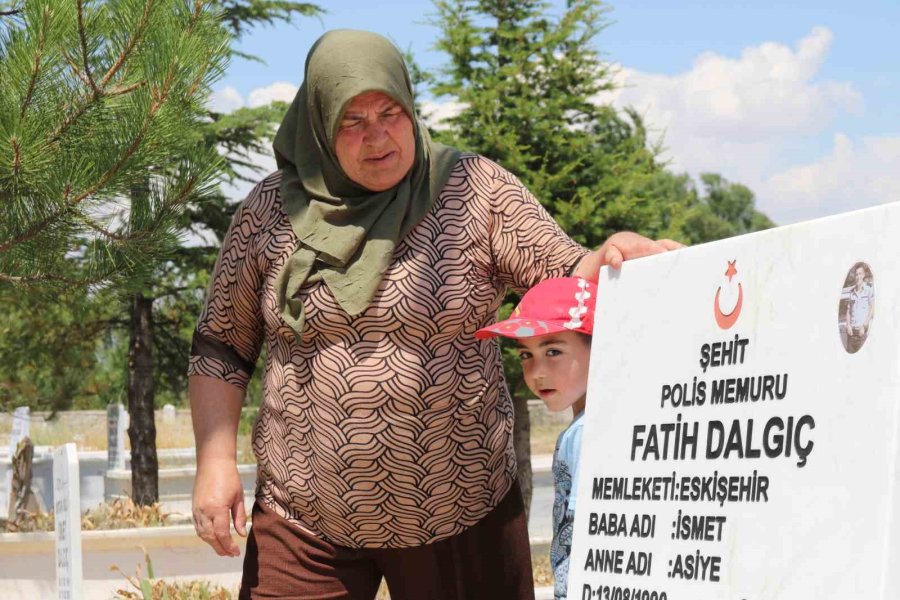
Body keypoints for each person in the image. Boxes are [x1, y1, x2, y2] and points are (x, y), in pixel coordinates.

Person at [188, 29, 679, 600]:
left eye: (390, 112)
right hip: (306, 520)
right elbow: (220, 346)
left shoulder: (475, 190)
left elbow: (563, 278)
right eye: (353, 121)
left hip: (463, 509)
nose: (377, 137)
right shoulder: (269, 212)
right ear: (320, 124)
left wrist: (611, 256)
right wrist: (214, 460)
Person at [475, 277, 596, 600]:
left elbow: (583, 538)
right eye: (526, 355)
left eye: (553, 351)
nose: (536, 371)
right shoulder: (599, 426)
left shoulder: (585, 435)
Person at [845, 263, 874, 353]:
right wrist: (848, 325)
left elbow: (871, 309)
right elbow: (848, 311)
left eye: (860, 274)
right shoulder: (851, 292)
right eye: (856, 274)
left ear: (864, 275)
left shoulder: (868, 290)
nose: (858, 276)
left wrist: (864, 326)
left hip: (862, 333)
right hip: (851, 333)